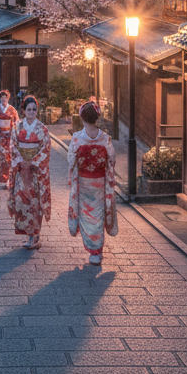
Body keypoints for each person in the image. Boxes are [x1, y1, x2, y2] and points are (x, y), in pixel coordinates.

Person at [67, 98, 118, 264]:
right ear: (97, 118)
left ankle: (93, 250)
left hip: (83, 182)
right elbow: (112, 159)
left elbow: (70, 160)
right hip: (100, 183)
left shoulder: (77, 138)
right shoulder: (105, 138)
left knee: (86, 214)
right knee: (99, 214)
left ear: (81, 117)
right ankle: (98, 250)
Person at [7, 95, 51, 249]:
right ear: (24, 110)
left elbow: (46, 149)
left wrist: (32, 162)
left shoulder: (42, 129)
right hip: (21, 171)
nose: (32, 112)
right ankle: (29, 234)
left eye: (34, 109)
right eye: (29, 109)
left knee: (35, 202)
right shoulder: (17, 127)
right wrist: (21, 161)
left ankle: (34, 236)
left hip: (35, 172)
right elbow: (12, 146)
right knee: (22, 201)